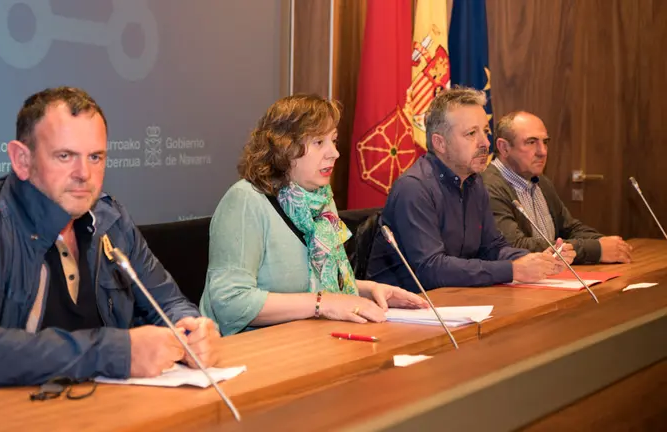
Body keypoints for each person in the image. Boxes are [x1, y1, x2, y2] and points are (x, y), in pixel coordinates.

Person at [0, 87, 218, 403]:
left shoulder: (110, 219)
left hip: (94, 410)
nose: (84, 174)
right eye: (65, 156)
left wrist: (191, 331)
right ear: (22, 160)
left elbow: (168, 302)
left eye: (95, 157)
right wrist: (115, 352)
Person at [199, 94, 428, 336]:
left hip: (307, 339)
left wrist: (369, 291)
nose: (334, 153)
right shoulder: (246, 200)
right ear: (284, 147)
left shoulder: (320, 199)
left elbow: (311, 285)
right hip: (248, 347)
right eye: (319, 142)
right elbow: (231, 303)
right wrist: (323, 303)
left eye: (334, 141)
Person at [366, 87, 575, 292]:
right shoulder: (414, 188)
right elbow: (431, 269)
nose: (485, 143)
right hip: (403, 306)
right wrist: (513, 270)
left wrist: (537, 260)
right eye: (471, 133)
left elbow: (492, 248)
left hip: (455, 299)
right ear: (440, 143)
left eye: (486, 132)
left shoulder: (474, 183)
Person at [482, 111, 633, 264]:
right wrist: (595, 249)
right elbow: (515, 246)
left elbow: (569, 228)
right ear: (504, 148)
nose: (542, 152)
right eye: (531, 142)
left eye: (545, 142)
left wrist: (605, 242)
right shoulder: (488, 187)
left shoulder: (541, 181)